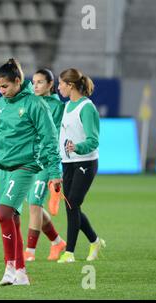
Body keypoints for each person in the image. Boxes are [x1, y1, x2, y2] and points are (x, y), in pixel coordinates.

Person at [0, 59, 62, 286]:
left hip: (25, 168)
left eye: (5, 86)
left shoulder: (35, 105)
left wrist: (55, 171)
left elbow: (50, 139)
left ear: (18, 81)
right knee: (12, 220)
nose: (2, 91)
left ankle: (9, 267)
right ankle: (20, 273)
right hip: (2, 170)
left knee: (3, 213)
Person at [57, 68, 105, 263]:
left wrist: (77, 147)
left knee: (73, 204)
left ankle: (69, 252)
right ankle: (95, 241)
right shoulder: (67, 106)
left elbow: (94, 140)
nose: (58, 87)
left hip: (85, 162)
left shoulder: (86, 108)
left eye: (61, 84)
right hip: (67, 163)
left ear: (71, 85)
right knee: (71, 205)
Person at [24, 69, 67, 262]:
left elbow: (54, 137)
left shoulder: (57, 106)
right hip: (28, 161)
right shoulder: (31, 100)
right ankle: (57, 242)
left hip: (44, 162)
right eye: (33, 82)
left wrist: (53, 168)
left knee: (34, 204)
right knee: (35, 206)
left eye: (40, 82)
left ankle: (30, 251)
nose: (35, 86)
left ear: (51, 84)